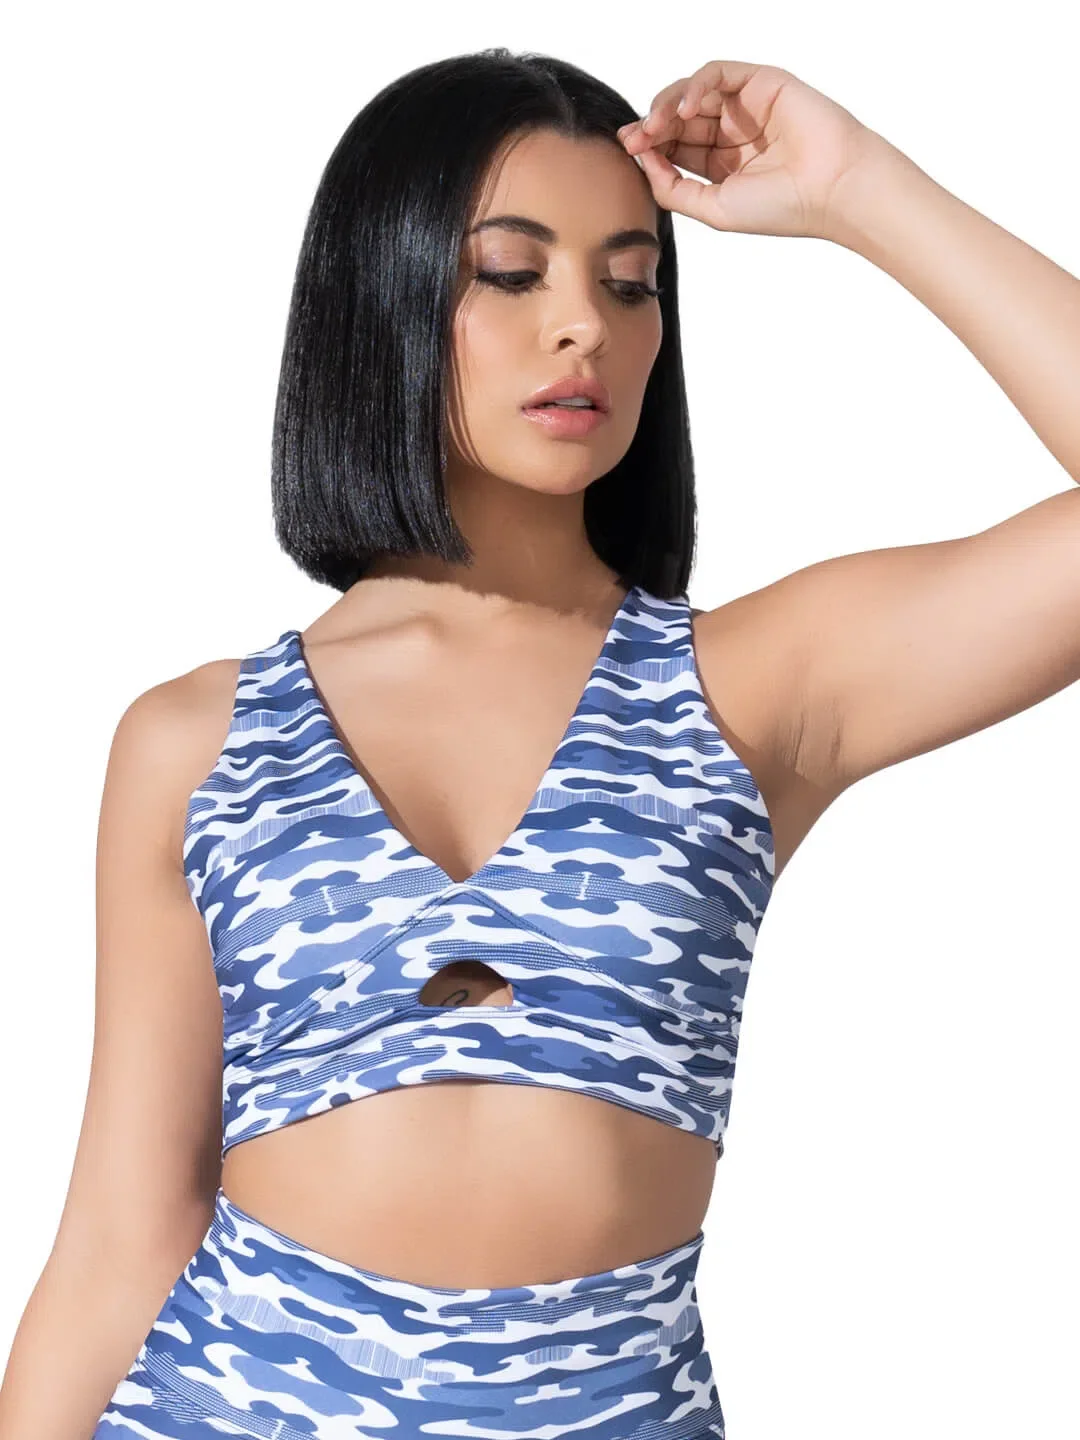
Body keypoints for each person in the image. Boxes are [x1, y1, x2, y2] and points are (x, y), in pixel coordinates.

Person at [2, 44, 1077, 1440]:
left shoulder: (751, 688)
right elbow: (119, 1238)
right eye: (513, 273)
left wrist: (861, 190)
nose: (585, 326)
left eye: (631, 283)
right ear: (384, 294)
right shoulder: (194, 740)